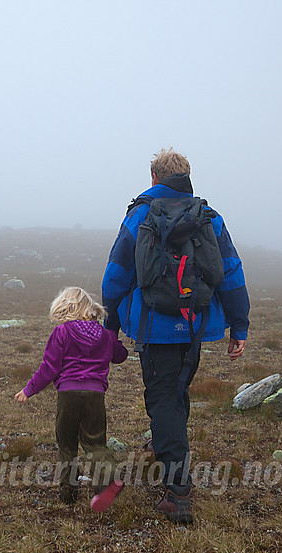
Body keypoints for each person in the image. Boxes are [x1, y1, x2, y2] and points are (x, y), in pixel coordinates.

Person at [101, 148, 250, 524]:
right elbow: (231, 272)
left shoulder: (140, 215)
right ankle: (166, 444)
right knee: (177, 388)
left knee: (164, 397)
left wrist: (111, 325)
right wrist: (239, 324)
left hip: (155, 327)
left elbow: (117, 274)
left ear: (154, 178)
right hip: (195, 325)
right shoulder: (209, 218)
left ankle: (178, 491)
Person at [14, 286, 129, 511]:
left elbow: (49, 367)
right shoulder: (105, 335)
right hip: (95, 395)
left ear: (64, 308)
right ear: (91, 308)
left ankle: (68, 493)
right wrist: (115, 339)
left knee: (67, 444)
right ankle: (107, 482)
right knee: (95, 443)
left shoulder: (62, 332)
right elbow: (120, 356)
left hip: (68, 394)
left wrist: (29, 389)